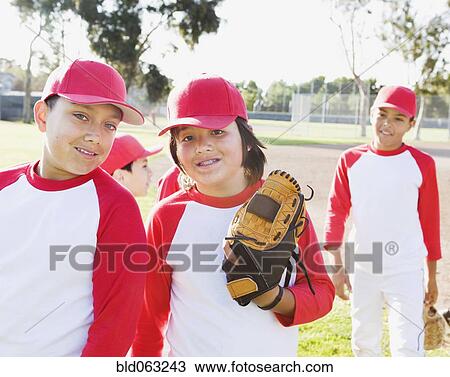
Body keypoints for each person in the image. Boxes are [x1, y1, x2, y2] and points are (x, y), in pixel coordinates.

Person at [132, 74, 335, 357]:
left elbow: (322, 293)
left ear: (246, 138)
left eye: (218, 132)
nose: (203, 146)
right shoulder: (167, 217)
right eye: (188, 137)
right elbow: (149, 317)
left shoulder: (283, 206)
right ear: (176, 151)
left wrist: (274, 298)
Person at [0, 59, 148, 356]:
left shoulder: (117, 207)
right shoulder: (5, 186)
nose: (96, 135)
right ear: (42, 115)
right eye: (81, 116)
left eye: (109, 125)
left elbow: (116, 326)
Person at [324, 86, 441, 356]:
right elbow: (335, 213)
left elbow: (430, 223)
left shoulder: (421, 164)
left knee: (408, 346)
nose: (387, 124)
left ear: (411, 124)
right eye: (382, 114)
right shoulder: (350, 160)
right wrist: (338, 267)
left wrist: (431, 277)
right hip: (363, 264)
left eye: (398, 118)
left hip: (405, 267)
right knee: (364, 342)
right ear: (370, 114)